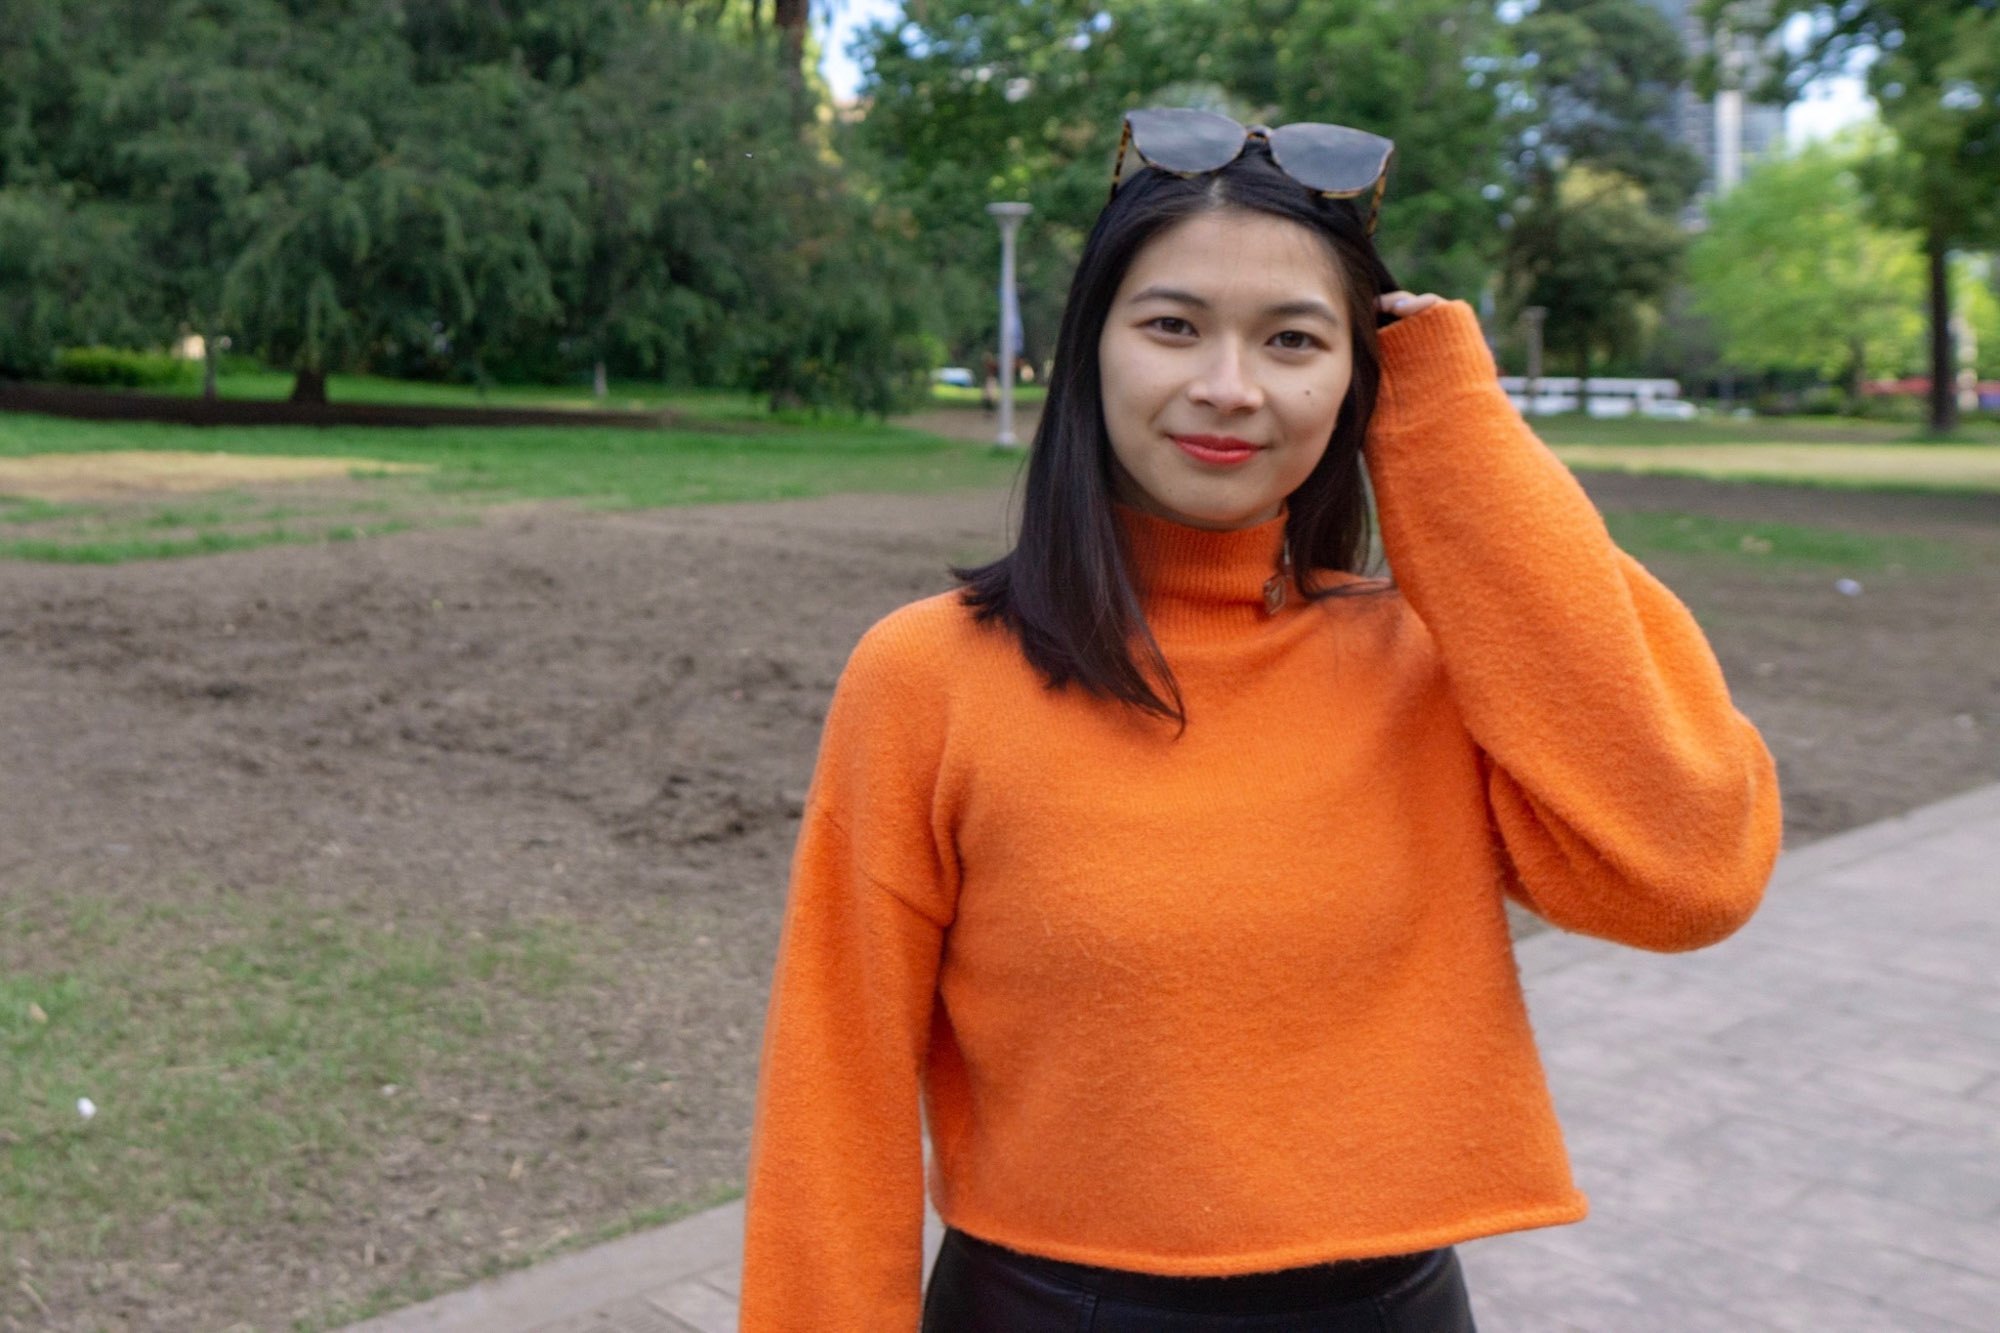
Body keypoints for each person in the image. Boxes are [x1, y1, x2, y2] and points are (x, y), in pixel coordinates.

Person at [738, 109, 1782, 1331]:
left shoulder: (1429, 665)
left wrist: (1448, 414)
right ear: (1091, 349)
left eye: (1293, 339)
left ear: (1356, 380)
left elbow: (1688, 871)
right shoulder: (929, 673)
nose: (1227, 389)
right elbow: (835, 1086)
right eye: (1172, 325)